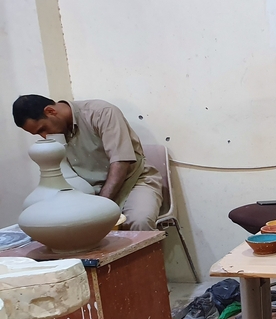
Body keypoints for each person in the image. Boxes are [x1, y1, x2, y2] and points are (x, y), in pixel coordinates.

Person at [13, 95, 163, 231]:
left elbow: (121, 162)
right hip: (90, 193)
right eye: (38, 134)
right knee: (56, 227)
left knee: (139, 222)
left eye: (43, 129)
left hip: (134, 181)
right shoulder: (56, 135)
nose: (45, 136)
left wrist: (100, 208)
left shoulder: (101, 112)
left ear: (51, 111)